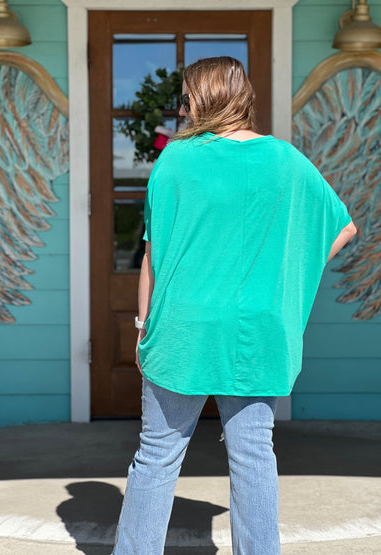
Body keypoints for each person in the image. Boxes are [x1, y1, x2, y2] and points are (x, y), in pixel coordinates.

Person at [112, 56, 357, 555]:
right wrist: (288, 273)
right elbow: (343, 229)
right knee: (253, 458)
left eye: (185, 98)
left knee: (157, 456)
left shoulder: (175, 160)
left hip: (183, 327)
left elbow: (153, 256)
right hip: (258, 331)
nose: (181, 109)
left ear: (198, 100)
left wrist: (141, 327)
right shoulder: (287, 161)